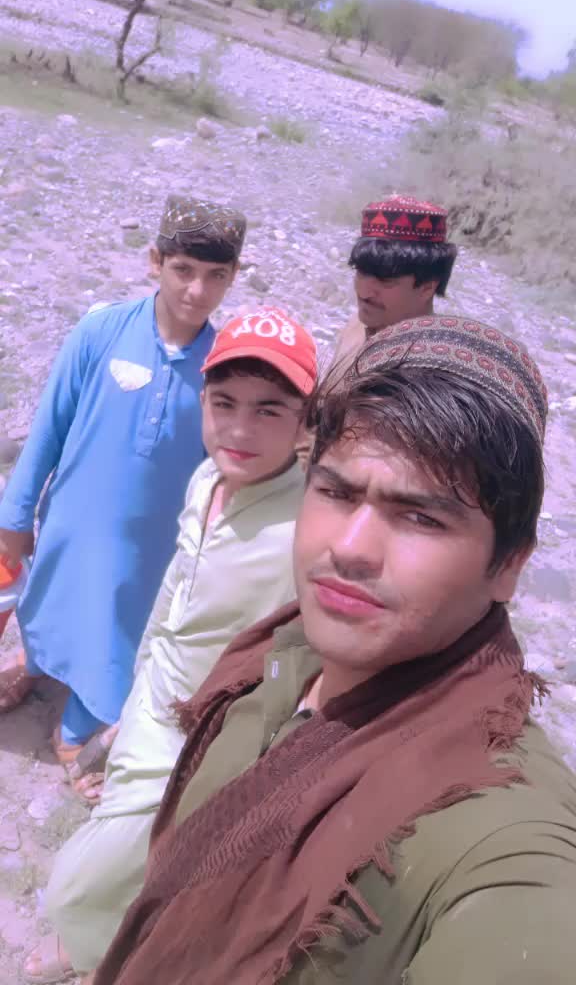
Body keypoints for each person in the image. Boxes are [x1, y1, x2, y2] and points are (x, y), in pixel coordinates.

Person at [92, 315, 576, 985]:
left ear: (509, 564)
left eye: (421, 516)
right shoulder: (286, 648)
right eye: (337, 492)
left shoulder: (500, 829)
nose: (349, 548)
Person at [23, 308, 318, 985]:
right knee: (135, 863)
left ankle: (98, 954)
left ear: (305, 422)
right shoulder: (206, 480)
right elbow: (170, 602)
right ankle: (102, 948)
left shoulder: (306, 529)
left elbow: (300, 661)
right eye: (225, 403)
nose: (240, 429)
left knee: (77, 885)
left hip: (203, 742)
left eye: (269, 410)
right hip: (148, 703)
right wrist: (128, 707)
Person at [0, 196, 246, 760]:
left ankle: (83, 714)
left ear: (234, 276)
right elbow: (49, 427)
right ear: (155, 261)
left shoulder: (224, 364)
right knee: (55, 597)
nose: (197, 290)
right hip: (72, 520)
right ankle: (37, 663)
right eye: (183, 270)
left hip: (151, 544)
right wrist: (15, 514)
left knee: (120, 627)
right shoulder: (101, 331)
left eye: (216, 276)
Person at [332, 194, 458, 365]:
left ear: (427, 288)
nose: (363, 293)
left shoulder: (431, 367)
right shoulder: (356, 328)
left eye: (385, 280)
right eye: (361, 271)